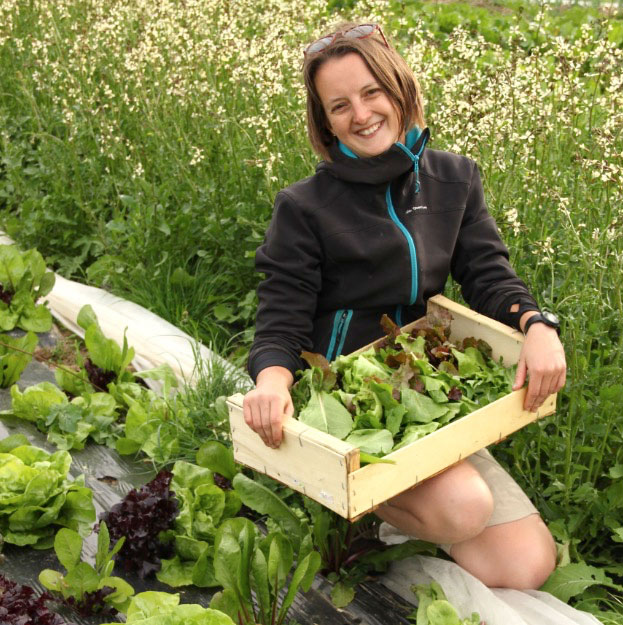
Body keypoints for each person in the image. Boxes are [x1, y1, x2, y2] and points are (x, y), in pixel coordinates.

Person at [243, 23, 566, 590]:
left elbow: (487, 273)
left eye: (372, 93)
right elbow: (282, 312)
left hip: (417, 384)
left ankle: (409, 493)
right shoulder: (304, 206)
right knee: (465, 508)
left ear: (399, 90)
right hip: (344, 398)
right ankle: (355, 497)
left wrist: (535, 325)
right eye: (338, 106)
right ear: (324, 122)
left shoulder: (453, 178)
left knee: (527, 566)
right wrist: (272, 382)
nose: (361, 114)